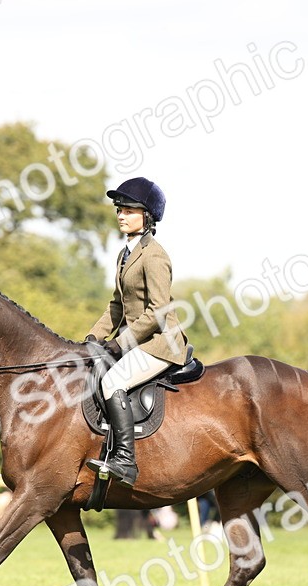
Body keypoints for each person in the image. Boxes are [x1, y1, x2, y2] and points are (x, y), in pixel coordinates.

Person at [83, 177, 188, 486]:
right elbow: (117, 306)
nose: (121, 215)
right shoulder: (125, 254)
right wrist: (91, 338)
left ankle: (125, 461)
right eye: (119, 209)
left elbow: (158, 312)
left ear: (148, 217)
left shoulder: (155, 256)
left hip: (161, 343)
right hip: (136, 341)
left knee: (113, 379)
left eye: (129, 210)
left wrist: (119, 343)